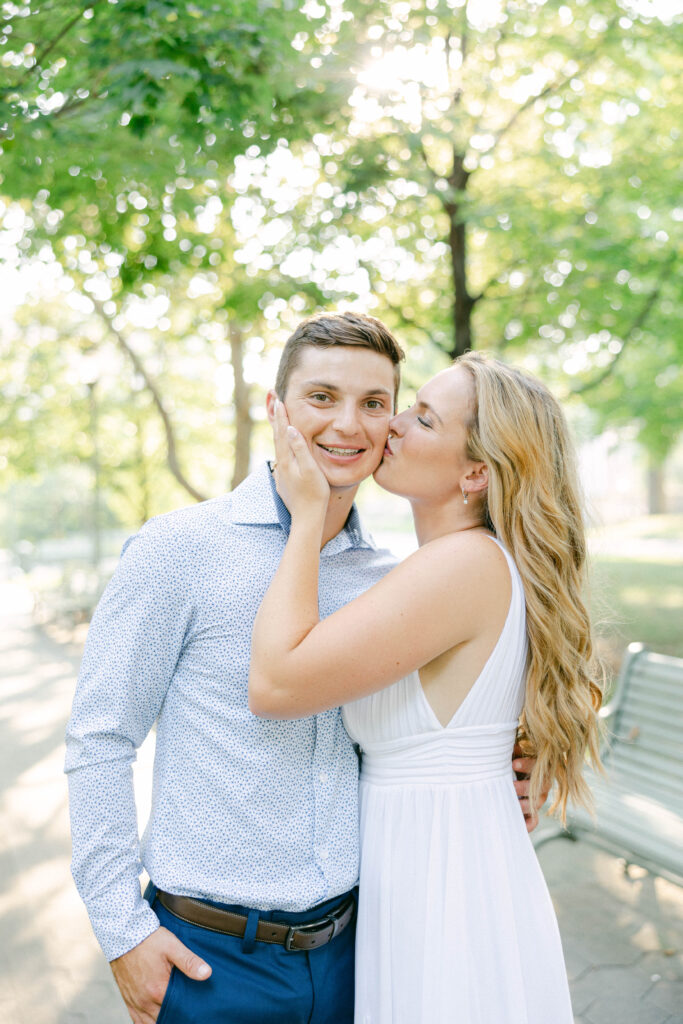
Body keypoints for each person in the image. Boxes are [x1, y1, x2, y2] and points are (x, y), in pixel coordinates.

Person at [65, 314, 542, 1024]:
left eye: (375, 403)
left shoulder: (394, 578)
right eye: (321, 396)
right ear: (276, 409)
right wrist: (121, 930)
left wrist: (513, 755)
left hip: (363, 953)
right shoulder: (179, 550)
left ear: (392, 422)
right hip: (211, 958)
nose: (347, 424)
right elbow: (99, 738)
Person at [249, 352, 603, 1023]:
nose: (396, 427)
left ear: (474, 471)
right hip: (432, 852)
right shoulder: (454, 565)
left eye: (424, 418)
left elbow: (275, 683)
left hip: (444, 874)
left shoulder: (461, 565)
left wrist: (304, 517)